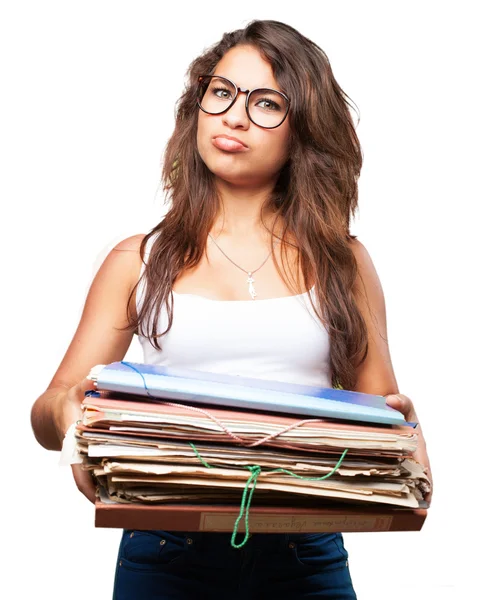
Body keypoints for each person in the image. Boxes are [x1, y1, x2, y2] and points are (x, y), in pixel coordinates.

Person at [30, 19, 432, 600]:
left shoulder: (344, 261)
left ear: (304, 129)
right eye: (222, 92)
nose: (235, 116)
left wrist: (402, 429)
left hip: (305, 549)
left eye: (267, 103)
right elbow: (48, 410)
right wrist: (72, 416)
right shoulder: (137, 259)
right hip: (166, 549)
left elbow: (385, 418)